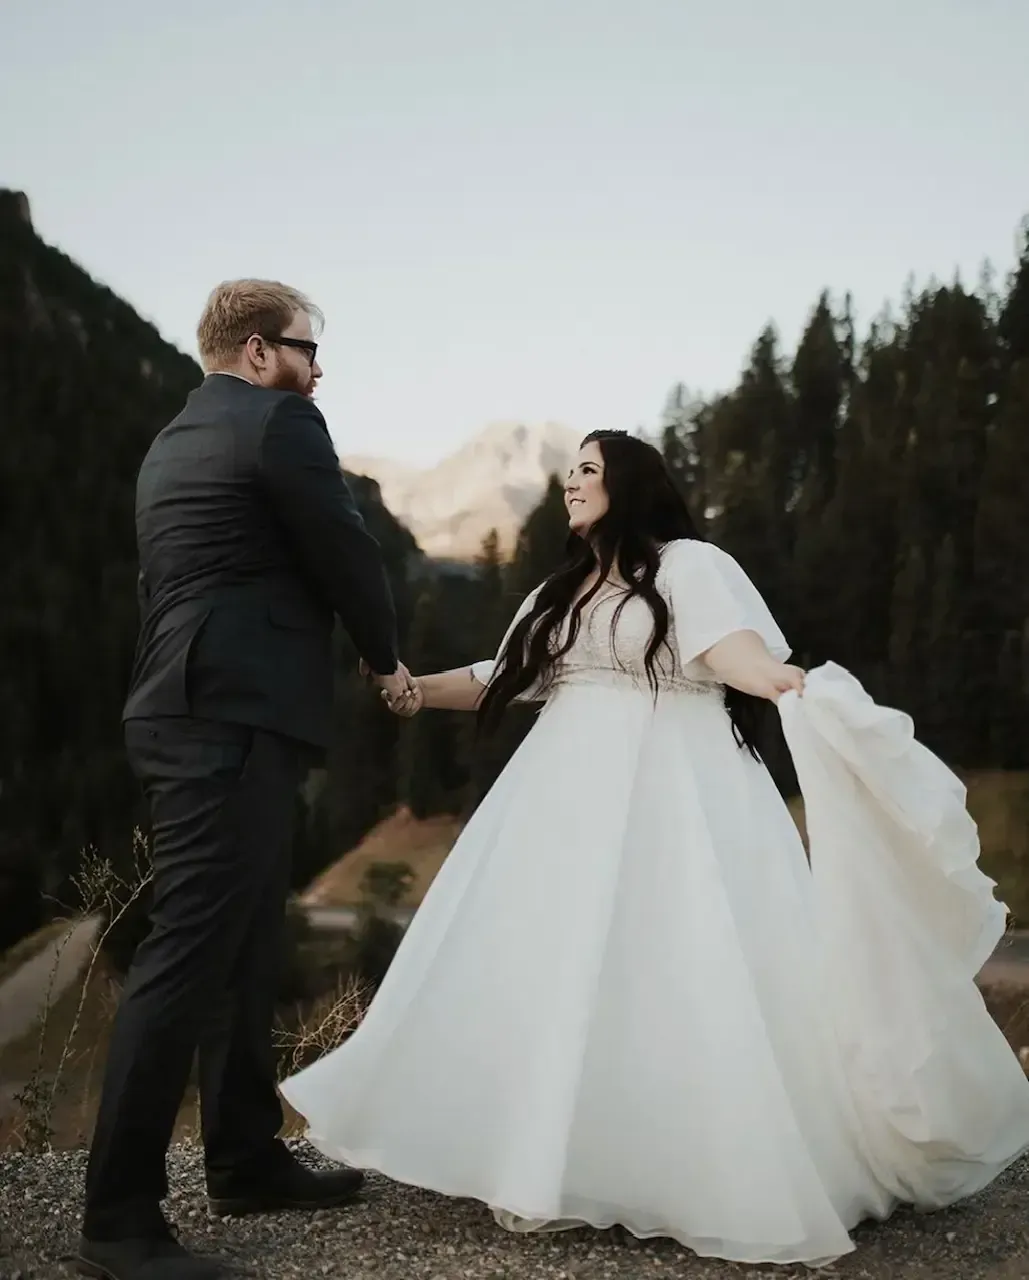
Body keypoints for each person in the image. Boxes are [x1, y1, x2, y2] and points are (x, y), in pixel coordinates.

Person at [281, 430, 1029, 1267]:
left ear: (629, 485)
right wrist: (415, 691)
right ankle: (554, 1155)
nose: (570, 484)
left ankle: (704, 1164)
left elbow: (734, 653)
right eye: (568, 473)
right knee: (559, 967)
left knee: (684, 959)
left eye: (588, 472)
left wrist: (784, 684)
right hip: (561, 802)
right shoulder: (559, 589)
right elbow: (506, 673)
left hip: (680, 792)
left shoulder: (689, 566)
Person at [79, 280, 418, 1280]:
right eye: (312, 351)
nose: (320, 373)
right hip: (227, 715)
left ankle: (243, 1153)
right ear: (263, 349)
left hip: (193, 706)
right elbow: (345, 545)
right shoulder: (279, 421)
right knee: (189, 950)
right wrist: (385, 653)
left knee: (242, 941)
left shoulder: (175, 436)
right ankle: (120, 1219)